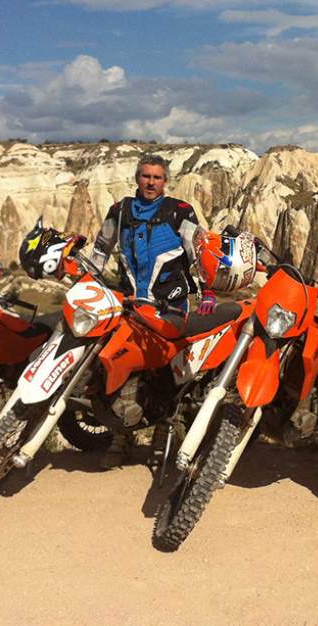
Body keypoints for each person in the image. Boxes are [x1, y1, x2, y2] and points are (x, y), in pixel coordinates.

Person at [89, 154, 216, 468]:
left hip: (169, 303)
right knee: (119, 365)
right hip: (130, 304)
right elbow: (100, 248)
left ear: (165, 181)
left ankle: (163, 434)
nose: (150, 182)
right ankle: (121, 436)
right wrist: (88, 281)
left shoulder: (180, 211)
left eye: (157, 177)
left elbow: (200, 253)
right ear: (137, 178)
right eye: (146, 176)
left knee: (167, 371)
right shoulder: (119, 211)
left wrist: (208, 291)